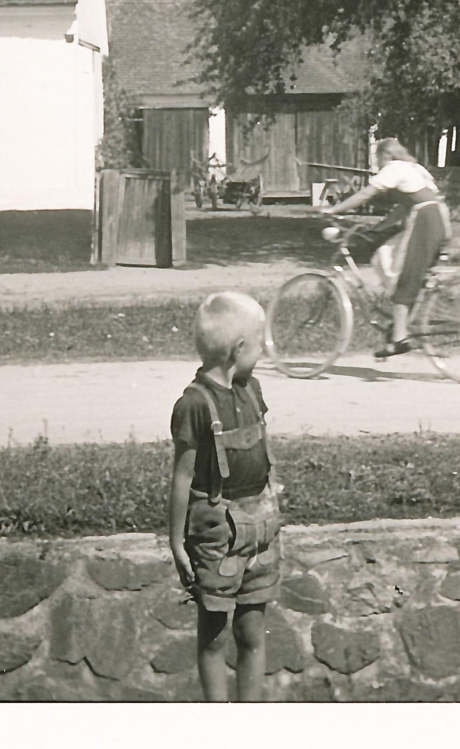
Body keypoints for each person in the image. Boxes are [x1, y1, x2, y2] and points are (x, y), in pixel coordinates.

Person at [168, 291, 283, 702]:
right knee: (215, 638)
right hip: (217, 535)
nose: (263, 355)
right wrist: (177, 541)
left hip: (260, 528)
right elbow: (181, 477)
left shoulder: (251, 391)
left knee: (252, 631)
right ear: (239, 349)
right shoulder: (194, 404)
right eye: (259, 346)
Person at [325, 137, 452, 358]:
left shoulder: (394, 167)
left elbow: (366, 193)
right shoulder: (416, 169)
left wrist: (335, 209)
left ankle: (400, 336)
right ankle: (396, 334)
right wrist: (377, 227)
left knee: (404, 274)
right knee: (386, 258)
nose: (377, 164)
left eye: (377, 158)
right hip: (439, 219)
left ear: (386, 154)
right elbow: (405, 208)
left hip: (424, 220)